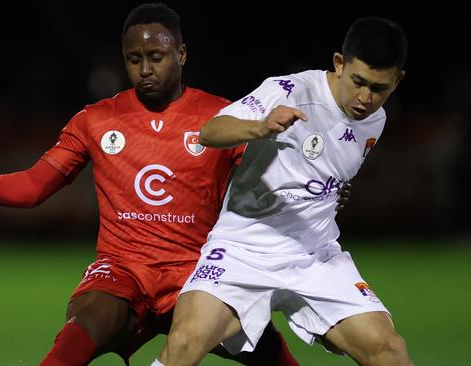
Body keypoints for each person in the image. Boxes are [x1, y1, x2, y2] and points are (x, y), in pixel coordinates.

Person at [0, 3, 318, 366]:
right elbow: (34, 187)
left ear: (181, 53)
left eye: (155, 57)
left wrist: (319, 193)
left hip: (198, 274)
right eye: (133, 59)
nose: (144, 69)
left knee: (265, 348)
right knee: (84, 324)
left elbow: (273, 187)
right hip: (124, 271)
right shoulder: (96, 119)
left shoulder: (222, 119)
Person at [153, 17, 412, 366]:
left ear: (397, 81)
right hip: (243, 250)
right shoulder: (290, 91)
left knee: (390, 351)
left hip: (314, 256)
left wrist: (332, 193)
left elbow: (325, 170)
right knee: (184, 344)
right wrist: (259, 127)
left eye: (379, 88)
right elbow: (210, 132)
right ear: (339, 63)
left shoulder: (374, 119)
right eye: (358, 81)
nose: (365, 98)